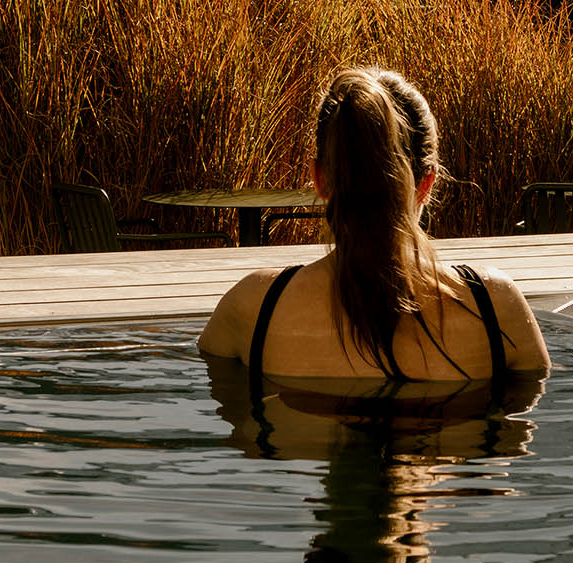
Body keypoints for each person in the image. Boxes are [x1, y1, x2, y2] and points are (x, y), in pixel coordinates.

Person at [198, 65, 550, 392]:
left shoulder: (253, 306)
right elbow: (512, 444)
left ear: (319, 178)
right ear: (427, 182)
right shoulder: (494, 305)